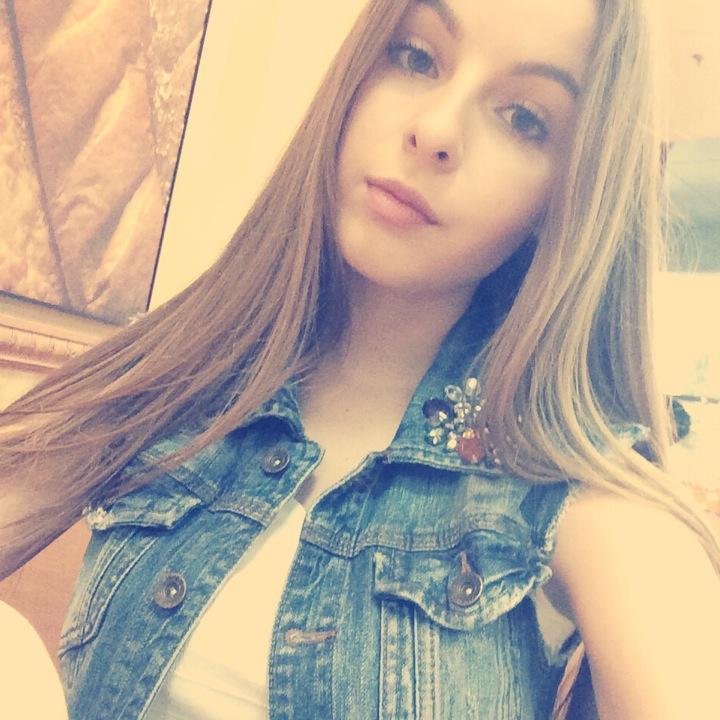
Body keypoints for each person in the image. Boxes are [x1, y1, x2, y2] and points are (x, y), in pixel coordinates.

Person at [1, 0, 719, 717]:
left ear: (565, 196)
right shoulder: (179, 378)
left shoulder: (578, 501)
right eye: (417, 57)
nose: (435, 130)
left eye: (524, 117)